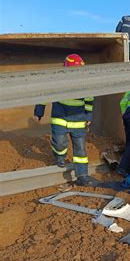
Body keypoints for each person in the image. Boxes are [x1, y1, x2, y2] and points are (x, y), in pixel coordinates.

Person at [34, 54, 97, 187]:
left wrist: (88, 116)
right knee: (59, 143)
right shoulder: (56, 81)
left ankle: (82, 175)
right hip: (60, 118)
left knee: (80, 150)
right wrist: (39, 112)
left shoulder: (85, 83)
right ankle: (59, 156)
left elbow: (89, 100)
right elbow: (44, 95)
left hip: (78, 120)